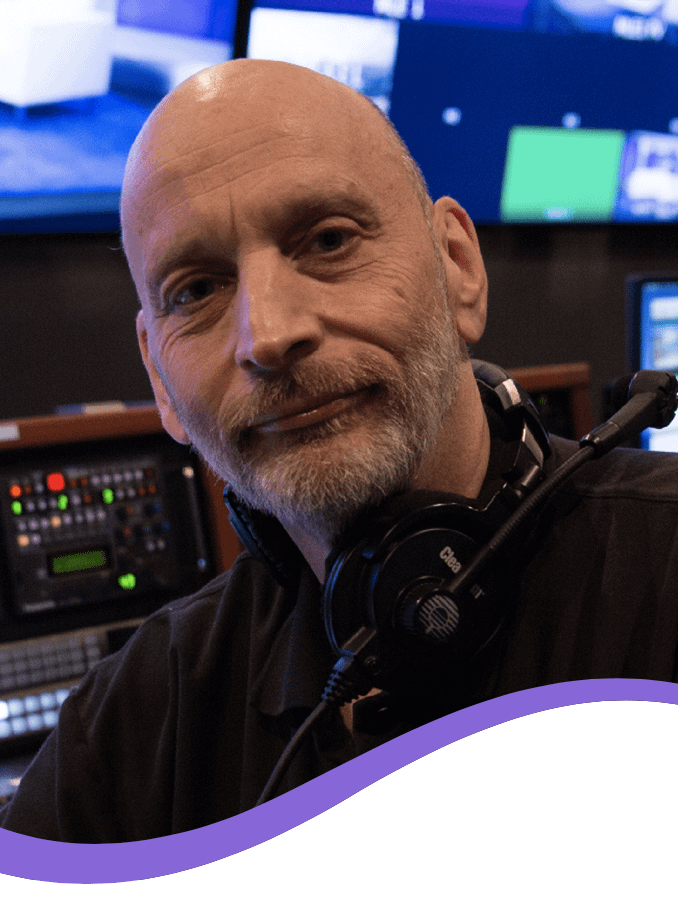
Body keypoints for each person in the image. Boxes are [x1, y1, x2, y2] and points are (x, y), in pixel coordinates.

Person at [2, 59, 678, 842]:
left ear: (458, 269)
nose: (268, 335)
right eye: (197, 290)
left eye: (328, 240)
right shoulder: (133, 726)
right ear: (158, 375)